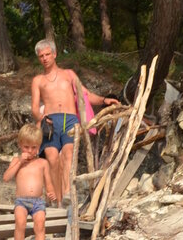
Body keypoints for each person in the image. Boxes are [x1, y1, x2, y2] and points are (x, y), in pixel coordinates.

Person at [31, 39, 119, 205]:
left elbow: (85, 95)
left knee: (68, 153)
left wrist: (104, 100)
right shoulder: (38, 80)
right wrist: (41, 118)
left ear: (55, 54)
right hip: (50, 121)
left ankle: (67, 194)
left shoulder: (69, 74)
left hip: (69, 118)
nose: (45, 58)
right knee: (52, 159)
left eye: (47, 54)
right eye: (41, 56)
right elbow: (35, 108)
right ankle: (57, 201)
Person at [3, 122, 55, 240]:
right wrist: (19, 161)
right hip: (21, 201)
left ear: (39, 146)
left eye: (34, 147)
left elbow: (48, 182)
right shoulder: (16, 161)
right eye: (26, 147)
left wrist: (51, 193)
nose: (30, 151)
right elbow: (6, 178)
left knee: (40, 224)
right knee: (20, 223)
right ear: (20, 145)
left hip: (38, 201)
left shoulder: (42, 163)